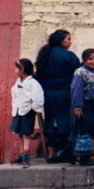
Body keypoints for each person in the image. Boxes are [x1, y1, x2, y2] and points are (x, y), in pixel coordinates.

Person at [35, 30, 80, 162]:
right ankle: (63, 152)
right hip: (65, 92)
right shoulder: (68, 55)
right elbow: (77, 72)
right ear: (61, 40)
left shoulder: (44, 54)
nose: (70, 42)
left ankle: (51, 151)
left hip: (47, 93)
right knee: (64, 122)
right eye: (68, 39)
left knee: (50, 121)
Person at [11, 58, 44, 167]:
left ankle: (26, 155)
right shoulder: (18, 82)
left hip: (27, 111)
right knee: (20, 133)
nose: (15, 70)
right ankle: (22, 153)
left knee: (26, 134)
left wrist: (35, 108)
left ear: (23, 70)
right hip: (18, 110)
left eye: (17, 68)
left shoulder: (33, 84)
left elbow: (37, 97)